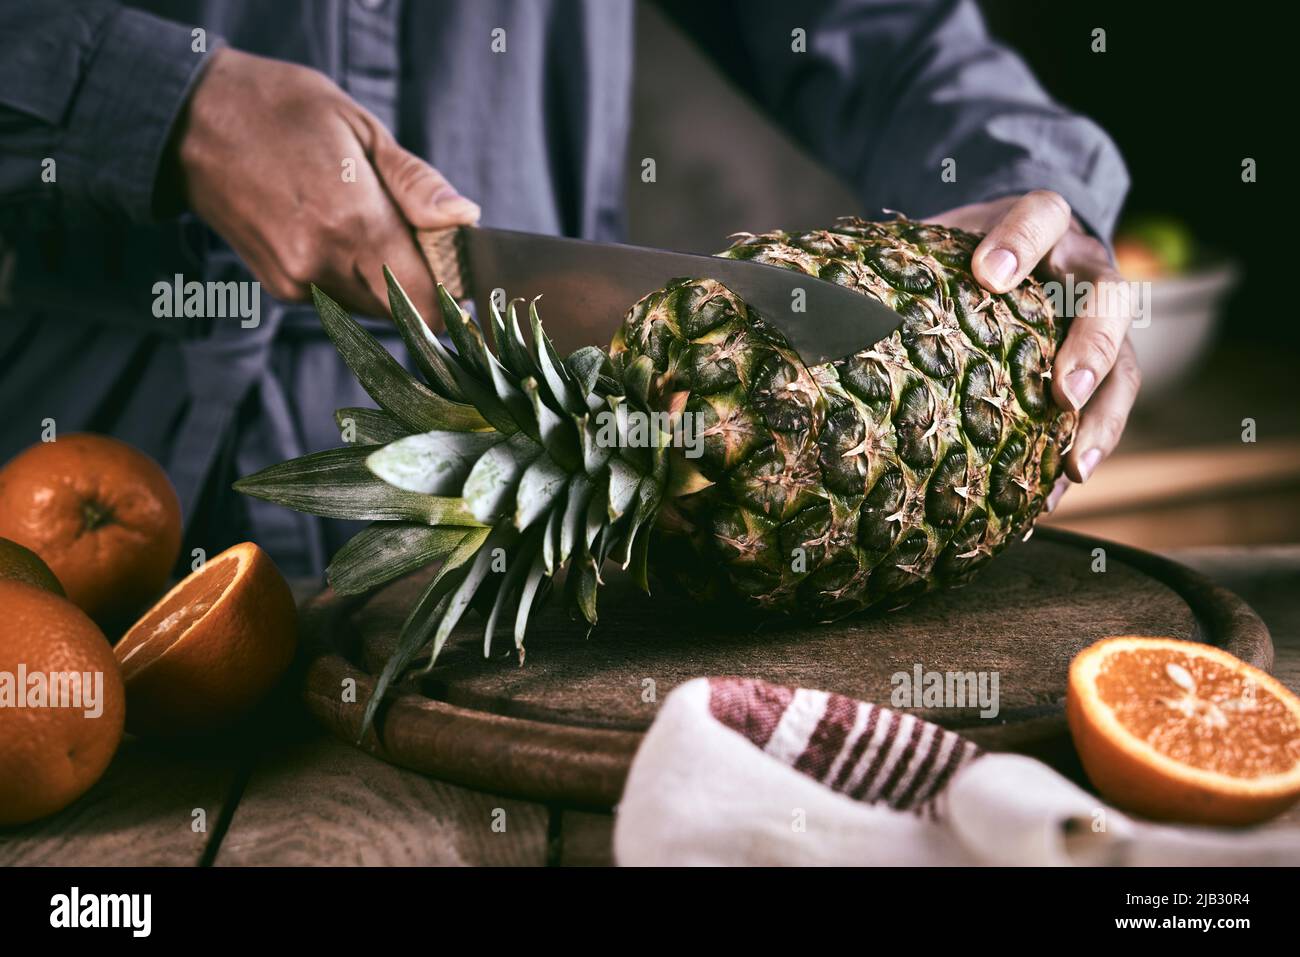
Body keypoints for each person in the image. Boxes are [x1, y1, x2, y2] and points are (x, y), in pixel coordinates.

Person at [0, 0, 1135, 577]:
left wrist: (1027, 184)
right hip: (88, 486)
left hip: (559, 495)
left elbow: (877, 31)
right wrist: (163, 101)